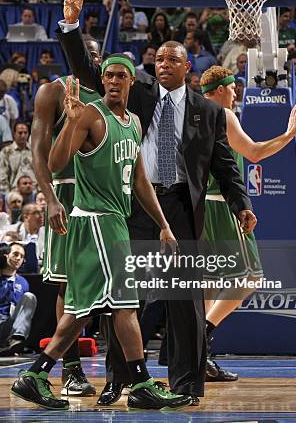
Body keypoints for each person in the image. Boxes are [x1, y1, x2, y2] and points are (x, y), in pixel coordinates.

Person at [57, 0, 254, 404]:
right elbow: (90, 73)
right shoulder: (138, 91)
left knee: (185, 302)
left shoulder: (210, 112)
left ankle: (187, 385)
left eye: (171, 59)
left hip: (182, 207)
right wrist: (71, 26)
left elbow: (224, 166)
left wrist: (242, 206)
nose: (162, 63)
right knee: (124, 299)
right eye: (158, 58)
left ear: (188, 68)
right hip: (135, 204)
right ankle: (120, 381)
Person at [12, 53, 190, 410]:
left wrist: (164, 225)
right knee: (122, 305)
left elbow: (140, 181)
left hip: (113, 221)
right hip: (94, 220)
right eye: (107, 75)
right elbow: (56, 162)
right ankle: (139, 382)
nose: (112, 81)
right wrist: (71, 121)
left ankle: (35, 376)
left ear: (130, 82)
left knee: (84, 310)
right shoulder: (91, 115)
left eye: (120, 76)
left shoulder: (134, 122)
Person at [199, 66, 296, 380]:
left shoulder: (192, 114)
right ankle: (203, 332)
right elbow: (254, 153)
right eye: (232, 88)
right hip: (222, 206)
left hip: (198, 208)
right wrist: (288, 135)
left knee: (209, 284)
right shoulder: (224, 114)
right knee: (250, 277)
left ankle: (198, 357)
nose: (236, 92)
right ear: (219, 89)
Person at [0, 123, 35, 192]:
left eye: (25, 133)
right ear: (14, 134)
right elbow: (2, 174)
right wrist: (7, 193)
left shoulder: (34, 151)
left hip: (34, 190)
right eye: (20, 133)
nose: (23, 135)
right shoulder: (6, 151)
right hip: (14, 190)